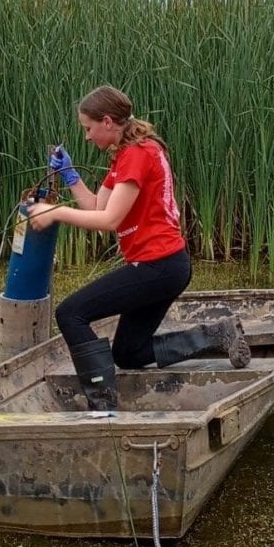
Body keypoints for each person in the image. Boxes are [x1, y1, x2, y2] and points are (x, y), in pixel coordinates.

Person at [27, 85, 250, 412]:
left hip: (158, 266)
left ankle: (103, 406)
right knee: (128, 354)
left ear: (106, 122)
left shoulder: (138, 155)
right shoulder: (126, 154)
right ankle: (218, 334)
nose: (87, 137)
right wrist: (70, 176)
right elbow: (95, 205)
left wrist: (55, 212)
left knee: (71, 313)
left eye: (88, 129)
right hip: (165, 267)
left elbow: (110, 220)